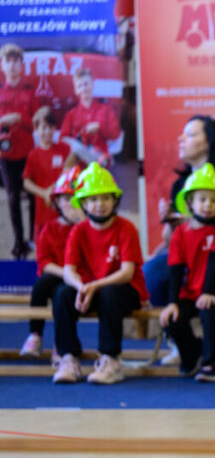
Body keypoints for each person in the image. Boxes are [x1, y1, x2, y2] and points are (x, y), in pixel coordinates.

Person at [143, 115, 215, 367]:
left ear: (209, 142)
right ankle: (184, 343)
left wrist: (196, 216)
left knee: (212, 272)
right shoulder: (181, 183)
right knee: (152, 272)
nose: (181, 139)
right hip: (190, 252)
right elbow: (173, 239)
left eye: (190, 134)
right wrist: (170, 222)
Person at [52, 163, 149, 384]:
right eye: (93, 199)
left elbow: (127, 272)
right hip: (91, 289)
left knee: (110, 294)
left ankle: (110, 359)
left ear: (115, 200)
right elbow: (69, 270)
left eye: (105, 198)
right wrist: (81, 287)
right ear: (84, 204)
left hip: (126, 291)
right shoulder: (78, 231)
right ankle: (68, 358)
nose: (100, 204)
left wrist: (94, 286)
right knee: (62, 294)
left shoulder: (126, 228)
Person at [159, 164, 215, 381]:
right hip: (191, 291)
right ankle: (191, 354)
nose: (208, 205)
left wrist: (208, 292)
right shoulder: (181, 233)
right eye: (202, 199)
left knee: (207, 309)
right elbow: (175, 268)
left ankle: (211, 362)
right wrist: (172, 302)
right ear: (190, 203)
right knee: (173, 319)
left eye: (214, 200)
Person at [20, 166, 83, 359]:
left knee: (61, 296)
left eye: (76, 199)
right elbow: (44, 262)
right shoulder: (49, 229)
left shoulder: (85, 230)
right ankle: (35, 335)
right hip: (55, 274)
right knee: (42, 284)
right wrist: (65, 272)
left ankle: (62, 343)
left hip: (77, 281)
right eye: (66, 199)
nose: (71, 204)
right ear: (57, 202)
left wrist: (81, 223)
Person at [0, 43, 38, 259]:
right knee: (13, 198)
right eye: (9, 61)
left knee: (32, 197)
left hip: (27, 154)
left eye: (16, 61)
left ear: (22, 66)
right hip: (6, 155)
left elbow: (36, 122)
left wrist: (19, 119)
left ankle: (32, 238)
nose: (13, 65)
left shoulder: (29, 92)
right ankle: (18, 242)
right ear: (2, 65)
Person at [22, 106, 74, 243]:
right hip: (43, 214)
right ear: (37, 130)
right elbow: (26, 182)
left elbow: (73, 171)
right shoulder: (33, 155)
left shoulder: (64, 149)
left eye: (51, 127)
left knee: (66, 248)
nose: (47, 132)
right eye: (43, 128)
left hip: (64, 212)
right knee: (45, 251)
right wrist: (44, 192)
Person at [58, 67, 121, 167]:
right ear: (76, 90)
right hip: (78, 166)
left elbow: (116, 134)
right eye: (80, 86)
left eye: (86, 84)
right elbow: (63, 140)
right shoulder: (71, 115)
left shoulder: (105, 108)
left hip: (101, 163)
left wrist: (100, 128)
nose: (83, 88)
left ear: (92, 84)